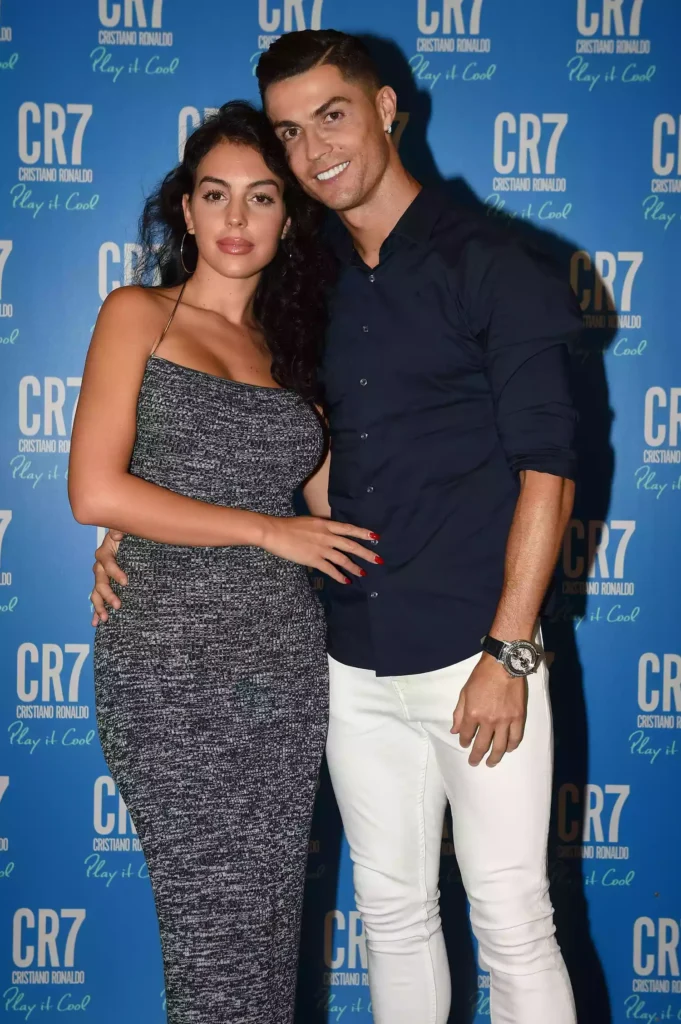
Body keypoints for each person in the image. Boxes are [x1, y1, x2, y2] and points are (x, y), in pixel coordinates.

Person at [92, 31, 580, 1024]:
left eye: (331, 115)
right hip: (344, 660)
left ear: (386, 109)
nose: (312, 148)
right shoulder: (311, 291)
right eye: (289, 131)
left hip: (474, 652)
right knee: (389, 917)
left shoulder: (495, 264)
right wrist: (131, 524)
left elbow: (550, 469)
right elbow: (282, 472)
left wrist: (510, 650)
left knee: (512, 921)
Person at [68, 101, 379, 1024]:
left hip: (282, 672)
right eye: (215, 195)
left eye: (261, 197)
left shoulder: (294, 354)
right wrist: (265, 531)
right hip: (167, 670)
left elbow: (335, 511)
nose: (236, 218)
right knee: (208, 933)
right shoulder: (138, 314)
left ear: (288, 218)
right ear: (187, 211)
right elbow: (95, 491)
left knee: (266, 935)